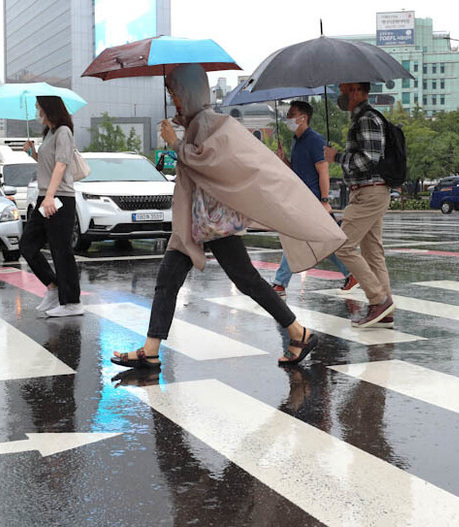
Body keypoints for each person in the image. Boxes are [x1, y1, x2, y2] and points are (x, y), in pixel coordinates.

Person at [110, 64, 345, 368]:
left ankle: (298, 332)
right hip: (198, 220)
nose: (175, 99)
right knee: (172, 280)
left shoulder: (210, 121)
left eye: (177, 92)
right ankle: (151, 349)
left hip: (212, 221)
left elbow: (208, 162)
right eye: (171, 93)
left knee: (243, 280)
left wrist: (174, 142)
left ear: (191, 91)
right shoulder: (197, 121)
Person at [270, 100, 357, 297]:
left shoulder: (315, 140)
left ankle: (280, 283)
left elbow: (323, 170)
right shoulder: (296, 140)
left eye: (292, 114)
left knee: (296, 238)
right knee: (325, 242)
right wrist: (283, 159)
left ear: (303, 118)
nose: (288, 118)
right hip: (301, 199)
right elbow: (296, 171)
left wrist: (324, 200)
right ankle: (351, 273)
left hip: (314, 201)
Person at [325, 82, 394, 328]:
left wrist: (337, 158)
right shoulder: (361, 118)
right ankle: (384, 311)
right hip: (369, 191)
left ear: (355, 90)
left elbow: (369, 159)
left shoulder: (366, 119)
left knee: (342, 247)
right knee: (373, 253)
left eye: (343, 89)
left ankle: (378, 299)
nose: (340, 94)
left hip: (368, 192)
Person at [20, 96, 83, 317]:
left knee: (61, 249)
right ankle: (54, 287)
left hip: (60, 198)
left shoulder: (64, 131)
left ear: (49, 108)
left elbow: (62, 164)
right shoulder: (50, 134)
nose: (38, 112)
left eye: (39, 108)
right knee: (27, 245)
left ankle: (72, 302)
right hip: (45, 197)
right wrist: (33, 153)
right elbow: (48, 164)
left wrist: (50, 196)